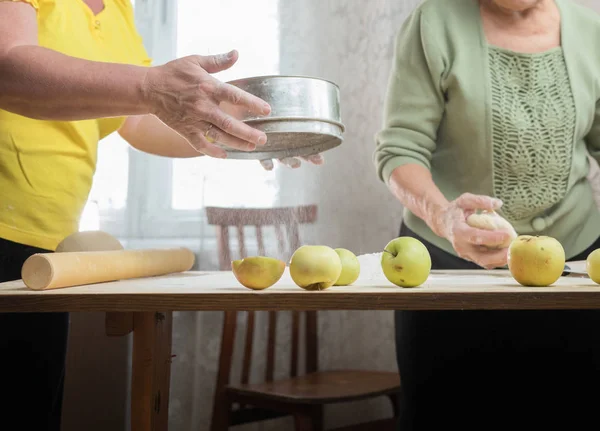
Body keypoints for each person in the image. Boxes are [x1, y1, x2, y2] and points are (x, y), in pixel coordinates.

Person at [0, 1, 323, 429]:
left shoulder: (118, 8)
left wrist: (239, 129)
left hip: (45, 247)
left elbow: (136, 121)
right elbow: (8, 64)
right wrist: (152, 86)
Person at [374, 0, 600, 429]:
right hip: (449, 268)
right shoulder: (433, 22)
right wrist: (444, 218)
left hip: (573, 269)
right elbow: (400, 149)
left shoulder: (593, 30)